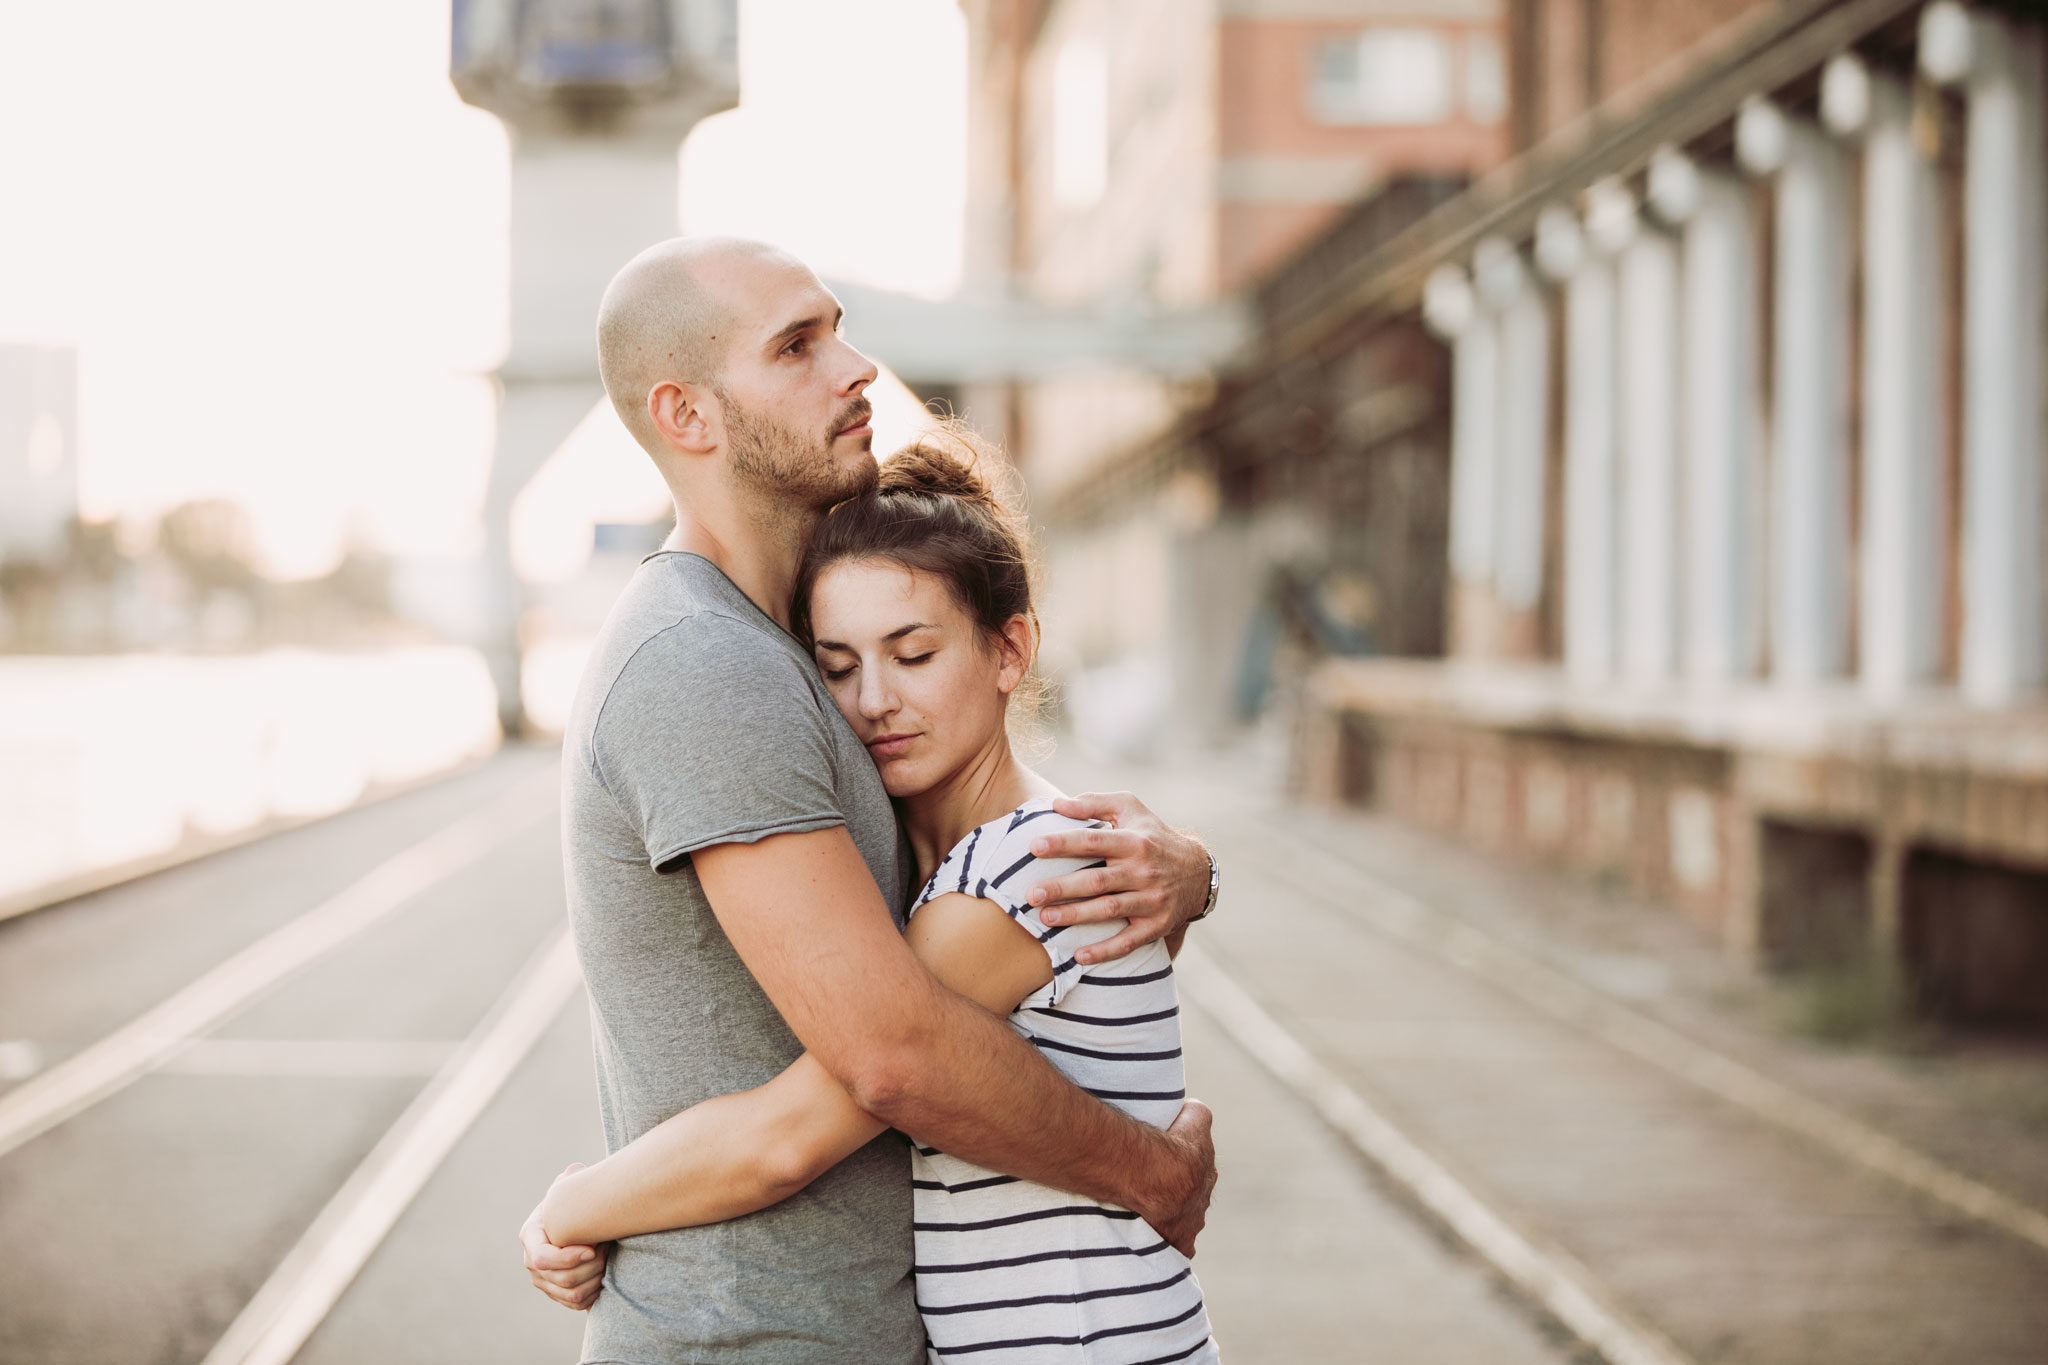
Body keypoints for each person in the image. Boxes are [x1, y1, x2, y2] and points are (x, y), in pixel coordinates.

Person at [520, 237, 1220, 1364]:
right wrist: (1155, 1173)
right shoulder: (709, 664)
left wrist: (1186, 866)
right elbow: (892, 1056)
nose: (856, 368)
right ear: (687, 417)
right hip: (751, 1334)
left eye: (837, 329)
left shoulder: (778, 647)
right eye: (797, 346)